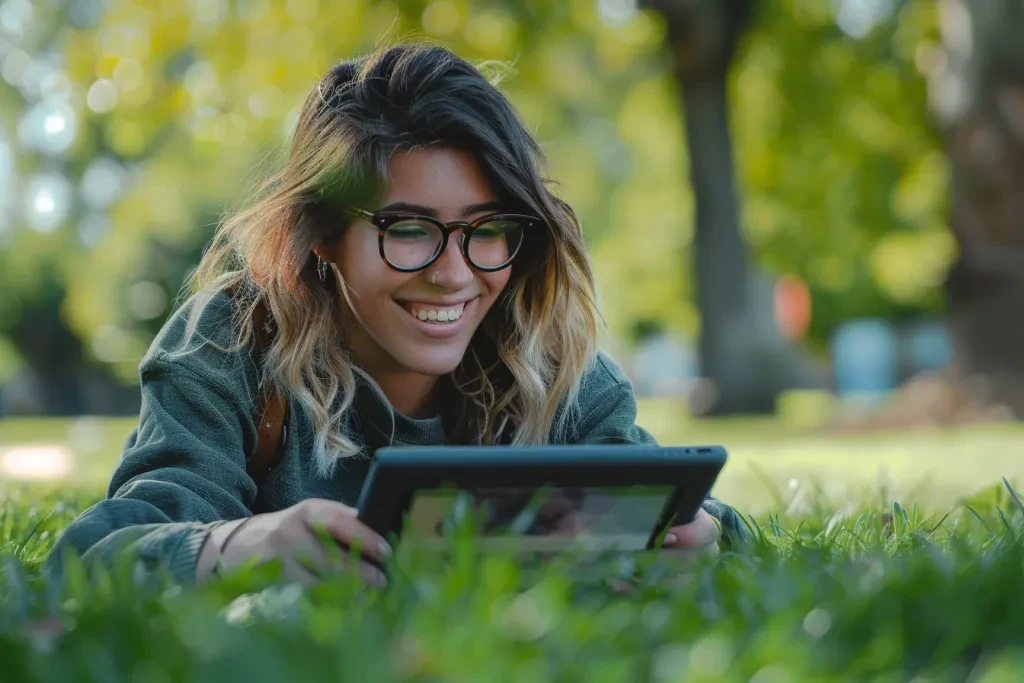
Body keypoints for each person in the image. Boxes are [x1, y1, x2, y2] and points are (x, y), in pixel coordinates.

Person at [48, 44, 750, 588]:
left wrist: (701, 536)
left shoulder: (554, 364)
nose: (453, 273)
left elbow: (703, 518)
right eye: (407, 229)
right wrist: (240, 547)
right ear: (321, 236)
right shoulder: (229, 345)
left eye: (488, 228)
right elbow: (91, 556)